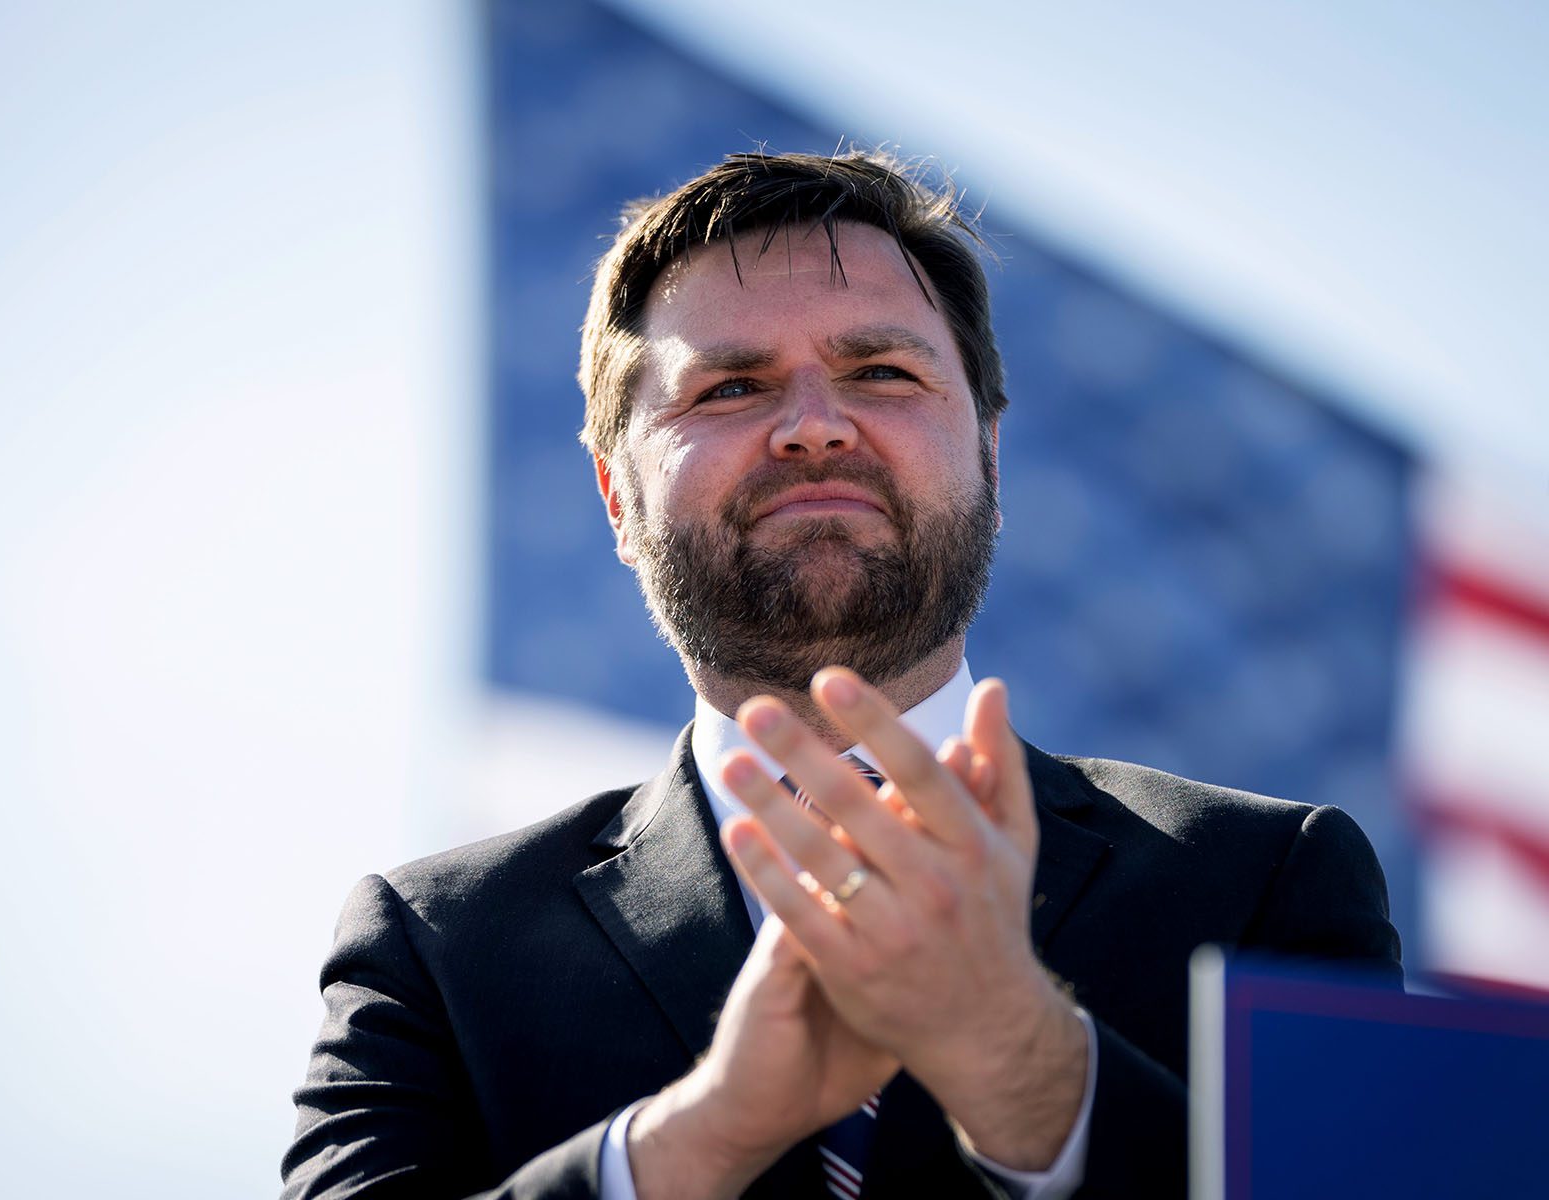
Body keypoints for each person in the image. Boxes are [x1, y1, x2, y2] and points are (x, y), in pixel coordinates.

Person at [280, 151, 1402, 1199]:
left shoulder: (1272, 885)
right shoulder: (430, 947)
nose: (813, 429)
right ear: (617, 500)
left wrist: (1025, 1065)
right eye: (728, 390)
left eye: (879, 370)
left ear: (992, 456)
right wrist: (704, 1134)